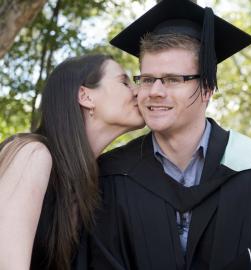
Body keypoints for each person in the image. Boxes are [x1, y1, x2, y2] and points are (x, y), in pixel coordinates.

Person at [90, 0, 251, 269]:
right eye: (148, 79)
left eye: (173, 79)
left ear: (207, 89)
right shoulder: (111, 174)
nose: (155, 91)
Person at [0, 54, 144, 270]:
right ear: (85, 96)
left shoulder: (93, 184)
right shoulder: (32, 154)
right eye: (124, 82)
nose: (138, 91)